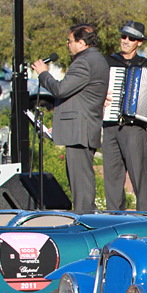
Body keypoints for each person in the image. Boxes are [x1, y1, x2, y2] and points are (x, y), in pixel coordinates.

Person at [33, 23, 109, 212]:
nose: (68, 45)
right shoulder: (97, 59)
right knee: (82, 179)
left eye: (70, 41)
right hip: (84, 126)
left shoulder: (84, 62)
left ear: (81, 43)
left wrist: (43, 74)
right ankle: (85, 214)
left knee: (81, 182)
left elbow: (61, 89)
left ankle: (85, 220)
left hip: (80, 130)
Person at [103, 20, 147, 212]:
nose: (125, 41)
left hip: (134, 128)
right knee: (112, 179)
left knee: (139, 176)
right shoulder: (108, 62)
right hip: (110, 126)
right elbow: (95, 88)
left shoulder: (145, 64)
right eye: (123, 36)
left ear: (139, 42)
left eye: (131, 38)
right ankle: (114, 219)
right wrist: (101, 98)